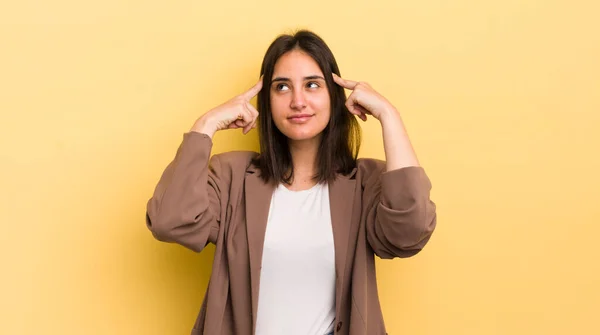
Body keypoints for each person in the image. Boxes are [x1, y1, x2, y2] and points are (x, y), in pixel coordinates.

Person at [145, 30, 437, 335]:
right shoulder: (231, 176)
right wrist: (205, 125)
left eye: (312, 85)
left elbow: (410, 232)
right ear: (267, 101)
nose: (298, 101)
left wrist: (390, 115)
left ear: (334, 97)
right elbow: (169, 221)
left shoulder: (365, 183)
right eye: (282, 87)